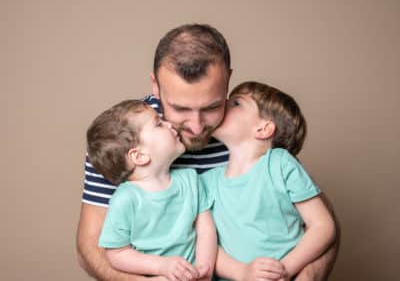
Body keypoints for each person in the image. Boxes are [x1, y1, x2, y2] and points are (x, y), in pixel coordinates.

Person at [76, 23, 339, 280]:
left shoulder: (244, 131)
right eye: (180, 109)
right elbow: (91, 248)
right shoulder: (123, 138)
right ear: (156, 85)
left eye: (211, 107)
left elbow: (320, 225)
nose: (196, 125)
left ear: (227, 81)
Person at [200, 81, 336, 281]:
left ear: (263, 129)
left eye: (236, 103)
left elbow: (323, 226)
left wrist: (284, 270)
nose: (223, 104)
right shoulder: (207, 182)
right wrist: (242, 272)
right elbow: (206, 246)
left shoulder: (280, 164)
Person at [86, 99, 216, 280]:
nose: (170, 125)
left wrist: (204, 269)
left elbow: (206, 229)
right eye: (159, 124)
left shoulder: (191, 180)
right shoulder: (125, 199)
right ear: (139, 156)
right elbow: (117, 253)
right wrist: (162, 266)